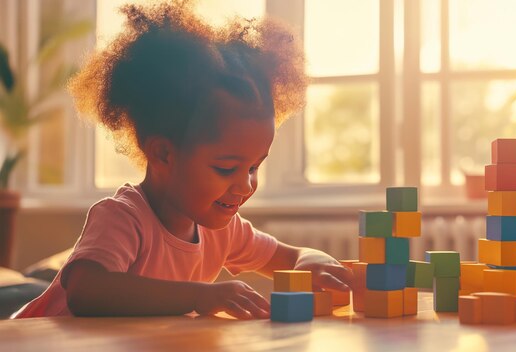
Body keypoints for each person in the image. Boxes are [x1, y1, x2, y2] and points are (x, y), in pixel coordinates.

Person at [13, 1, 352, 319]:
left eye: (254, 167)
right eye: (226, 168)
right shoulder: (122, 217)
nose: (246, 184)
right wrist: (198, 296)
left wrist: (311, 259)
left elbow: (289, 258)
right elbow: (87, 291)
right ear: (163, 153)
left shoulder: (223, 230)